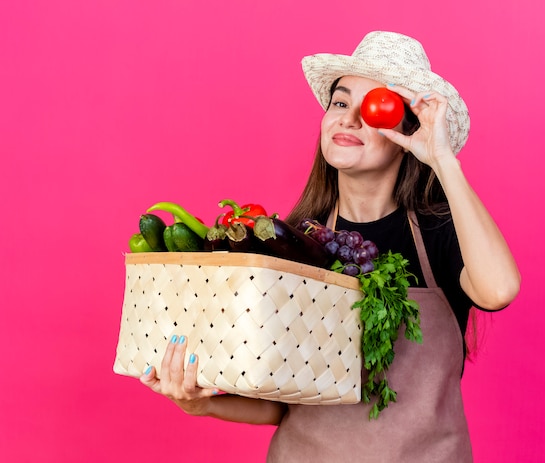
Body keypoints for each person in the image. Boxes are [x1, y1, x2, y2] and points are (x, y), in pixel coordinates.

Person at [140, 31, 521, 462]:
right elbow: (279, 396)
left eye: (375, 108)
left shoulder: (443, 232)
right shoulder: (293, 240)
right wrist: (200, 403)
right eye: (340, 103)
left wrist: (442, 159)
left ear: (407, 133)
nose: (349, 119)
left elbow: (499, 289)